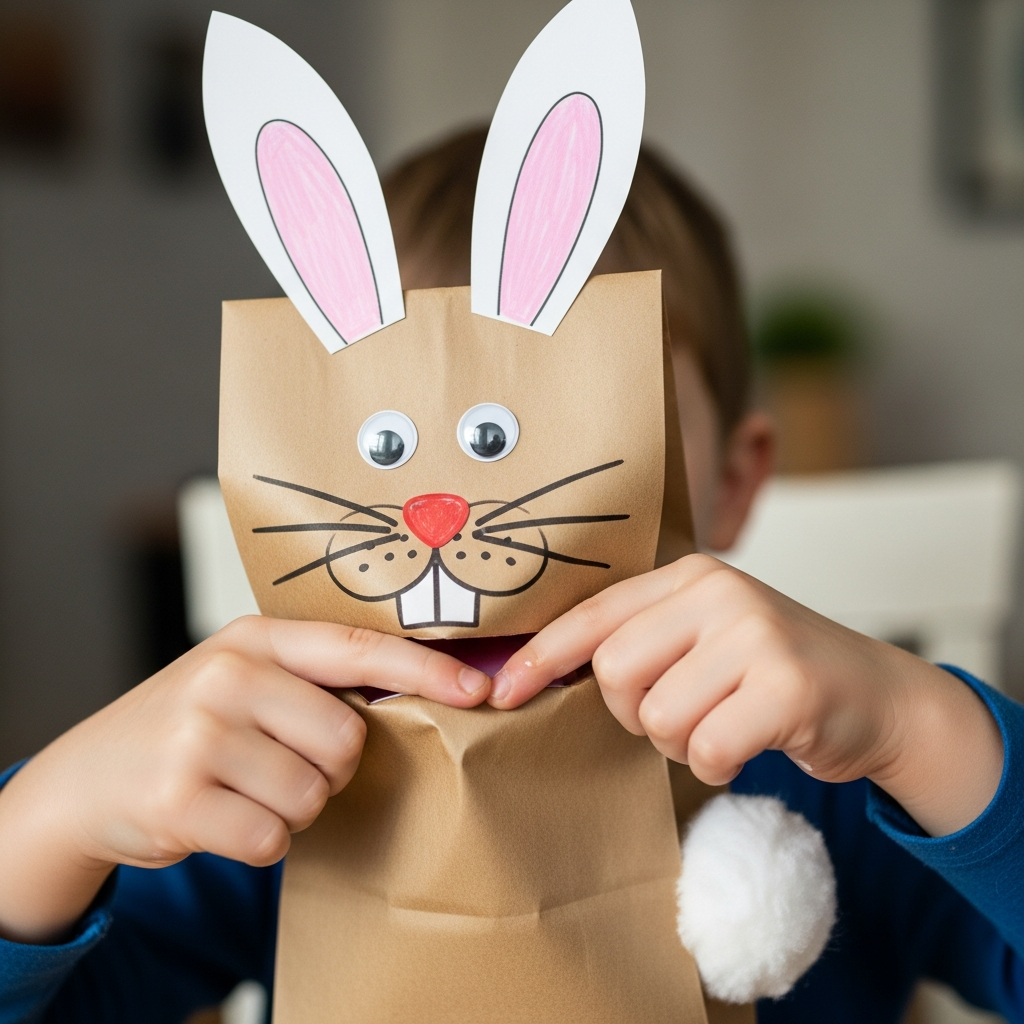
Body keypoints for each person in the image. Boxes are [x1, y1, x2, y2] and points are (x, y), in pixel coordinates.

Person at [0, 128, 1020, 1023]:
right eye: (383, 448)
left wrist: (921, 732)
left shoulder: (833, 789)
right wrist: (39, 825)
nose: (450, 510)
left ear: (736, 478)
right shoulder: (290, 785)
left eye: (561, 428)